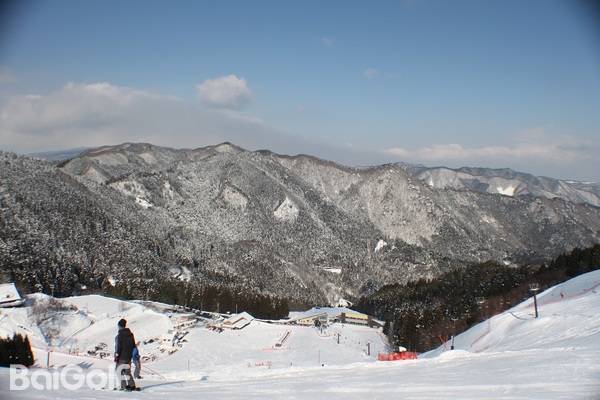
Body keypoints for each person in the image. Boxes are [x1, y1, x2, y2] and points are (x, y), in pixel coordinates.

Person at [114, 319, 139, 391]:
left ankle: (124, 386)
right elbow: (133, 345)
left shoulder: (120, 335)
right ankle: (132, 385)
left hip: (122, 356)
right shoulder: (130, 334)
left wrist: (117, 355)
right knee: (127, 371)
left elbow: (119, 347)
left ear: (120, 326)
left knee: (119, 370)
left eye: (118, 326)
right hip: (129, 356)